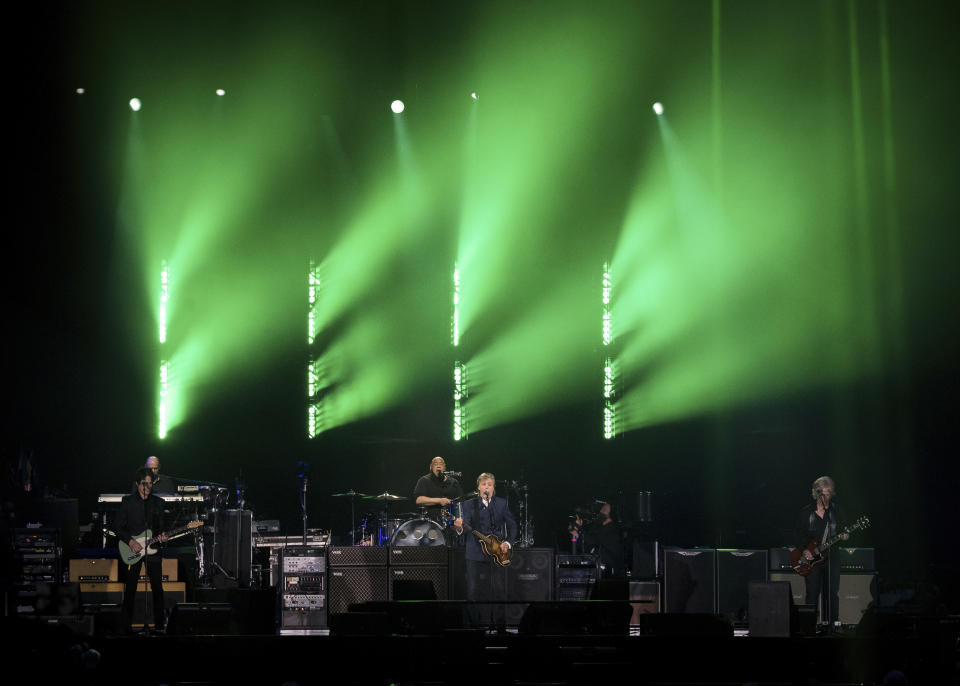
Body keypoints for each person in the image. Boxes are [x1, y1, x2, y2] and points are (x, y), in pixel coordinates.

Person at [453, 472, 517, 632]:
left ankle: (500, 627)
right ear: (478, 487)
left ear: (493, 488)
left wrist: (507, 543)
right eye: (483, 484)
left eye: (489, 484)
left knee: (499, 589)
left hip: (497, 552)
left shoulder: (502, 504)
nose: (486, 487)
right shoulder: (469, 504)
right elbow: (465, 527)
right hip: (474, 552)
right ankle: (475, 627)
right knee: (473, 590)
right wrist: (459, 527)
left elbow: (513, 525)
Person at [114, 467, 168, 633]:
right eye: (144, 483)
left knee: (158, 589)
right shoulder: (127, 502)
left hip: (152, 551)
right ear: (137, 484)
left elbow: (161, 529)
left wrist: (163, 537)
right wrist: (130, 541)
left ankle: (159, 626)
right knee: (130, 589)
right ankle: (126, 628)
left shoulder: (158, 503)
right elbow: (117, 526)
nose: (147, 487)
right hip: (132, 550)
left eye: (150, 484)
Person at [795, 475, 848, 625]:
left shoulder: (837, 511)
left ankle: (833, 624)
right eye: (822, 494)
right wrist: (804, 550)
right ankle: (808, 625)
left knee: (832, 593)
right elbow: (798, 535)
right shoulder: (806, 512)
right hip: (812, 558)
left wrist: (845, 535)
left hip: (832, 556)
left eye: (828, 494)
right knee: (812, 592)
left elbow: (844, 529)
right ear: (816, 493)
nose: (825, 497)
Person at [571, 501, 624, 577]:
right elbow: (583, 545)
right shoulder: (597, 528)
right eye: (602, 509)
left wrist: (580, 530)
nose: (601, 511)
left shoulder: (612, 529)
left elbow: (593, 541)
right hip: (595, 569)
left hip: (608, 573)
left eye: (604, 509)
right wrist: (575, 536)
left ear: (611, 515)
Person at [414, 456, 462, 524]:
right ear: (431, 467)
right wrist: (439, 500)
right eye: (436, 464)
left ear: (444, 467)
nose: (438, 466)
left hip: (451, 522)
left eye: (441, 464)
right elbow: (419, 500)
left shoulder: (454, 482)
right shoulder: (424, 480)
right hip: (431, 522)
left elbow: (460, 502)